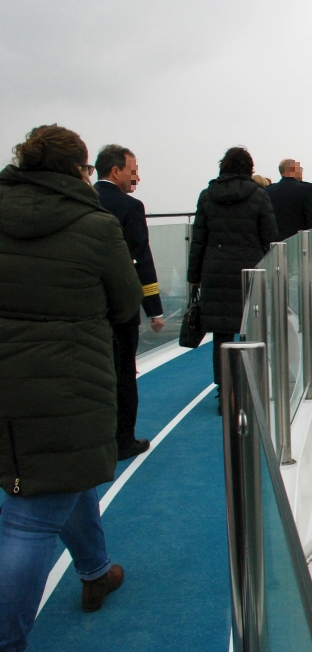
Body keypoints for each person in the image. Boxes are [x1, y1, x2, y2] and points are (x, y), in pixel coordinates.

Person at [0, 125, 143, 650]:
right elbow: (124, 302)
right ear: (80, 171)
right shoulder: (95, 225)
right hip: (68, 384)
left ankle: (94, 570)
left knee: (66, 476)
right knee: (27, 522)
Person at [187, 147, 278, 391]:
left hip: (215, 270)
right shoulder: (259, 196)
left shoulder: (207, 196)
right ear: (249, 169)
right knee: (250, 329)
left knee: (221, 334)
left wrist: (194, 277)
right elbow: (269, 238)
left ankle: (225, 390)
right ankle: (250, 387)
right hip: (251, 270)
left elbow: (199, 239)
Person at [94, 145, 162, 461]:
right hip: (121, 308)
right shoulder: (129, 206)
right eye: (132, 170)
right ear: (117, 170)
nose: (135, 177)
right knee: (123, 374)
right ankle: (124, 440)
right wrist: (154, 308)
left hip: (89, 307)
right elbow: (141, 259)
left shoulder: (85, 200)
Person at [264, 158, 312, 239]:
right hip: (299, 240)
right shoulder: (306, 189)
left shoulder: (268, 191)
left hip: (276, 241)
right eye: (300, 169)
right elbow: (311, 218)